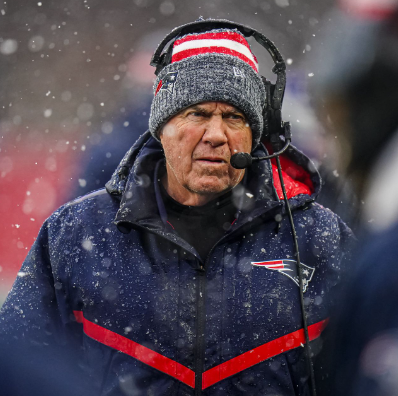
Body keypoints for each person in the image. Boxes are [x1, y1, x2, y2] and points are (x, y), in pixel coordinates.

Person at [0, 19, 354, 395]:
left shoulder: (321, 238)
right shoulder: (74, 233)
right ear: (161, 128)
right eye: (197, 114)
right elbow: (17, 363)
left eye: (234, 117)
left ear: (255, 135)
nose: (216, 135)